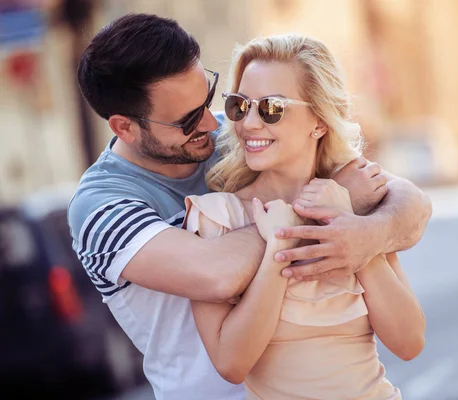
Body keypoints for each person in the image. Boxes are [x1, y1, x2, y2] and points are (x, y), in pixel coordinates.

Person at [67, 13, 432, 400]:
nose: (213, 122)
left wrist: (365, 235)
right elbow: (216, 274)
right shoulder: (101, 207)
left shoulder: (245, 133)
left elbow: (410, 204)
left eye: (211, 98)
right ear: (125, 127)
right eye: (189, 119)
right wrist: (315, 206)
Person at [183, 33, 425, 400]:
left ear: (320, 121)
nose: (248, 124)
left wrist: (354, 236)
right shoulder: (217, 217)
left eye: (271, 108)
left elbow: (409, 342)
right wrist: (281, 244)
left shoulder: (349, 199)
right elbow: (231, 364)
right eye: (239, 105)